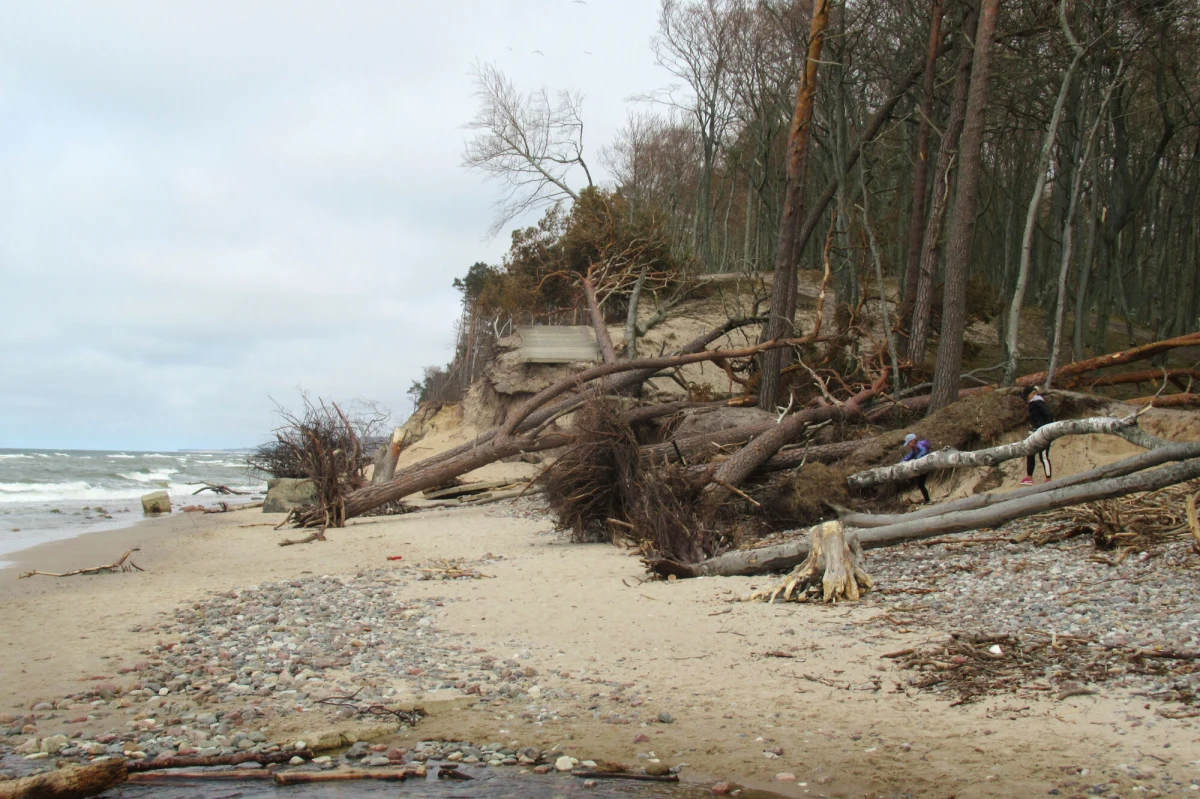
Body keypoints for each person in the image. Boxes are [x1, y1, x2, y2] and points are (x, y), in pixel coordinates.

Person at [1022, 384, 1054, 485]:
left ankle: (1048, 479)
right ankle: (1029, 477)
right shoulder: (1032, 404)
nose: (1026, 398)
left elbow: (1049, 416)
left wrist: (1045, 430)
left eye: (1027, 395)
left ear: (1032, 394)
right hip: (1033, 432)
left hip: (1043, 433)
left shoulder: (1039, 403)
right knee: (1030, 453)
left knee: (1043, 456)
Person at [901, 432, 932, 503]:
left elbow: (924, 451)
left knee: (920, 483)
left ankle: (928, 500)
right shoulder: (914, 448)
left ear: (912, 441)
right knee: (920, 484)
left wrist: (916, 459)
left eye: (908, 443)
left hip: (926, 466)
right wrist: (901, 462)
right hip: (922, 467)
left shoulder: (919, 445)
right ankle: (927, 500)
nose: (908, 445)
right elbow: (909, 456)